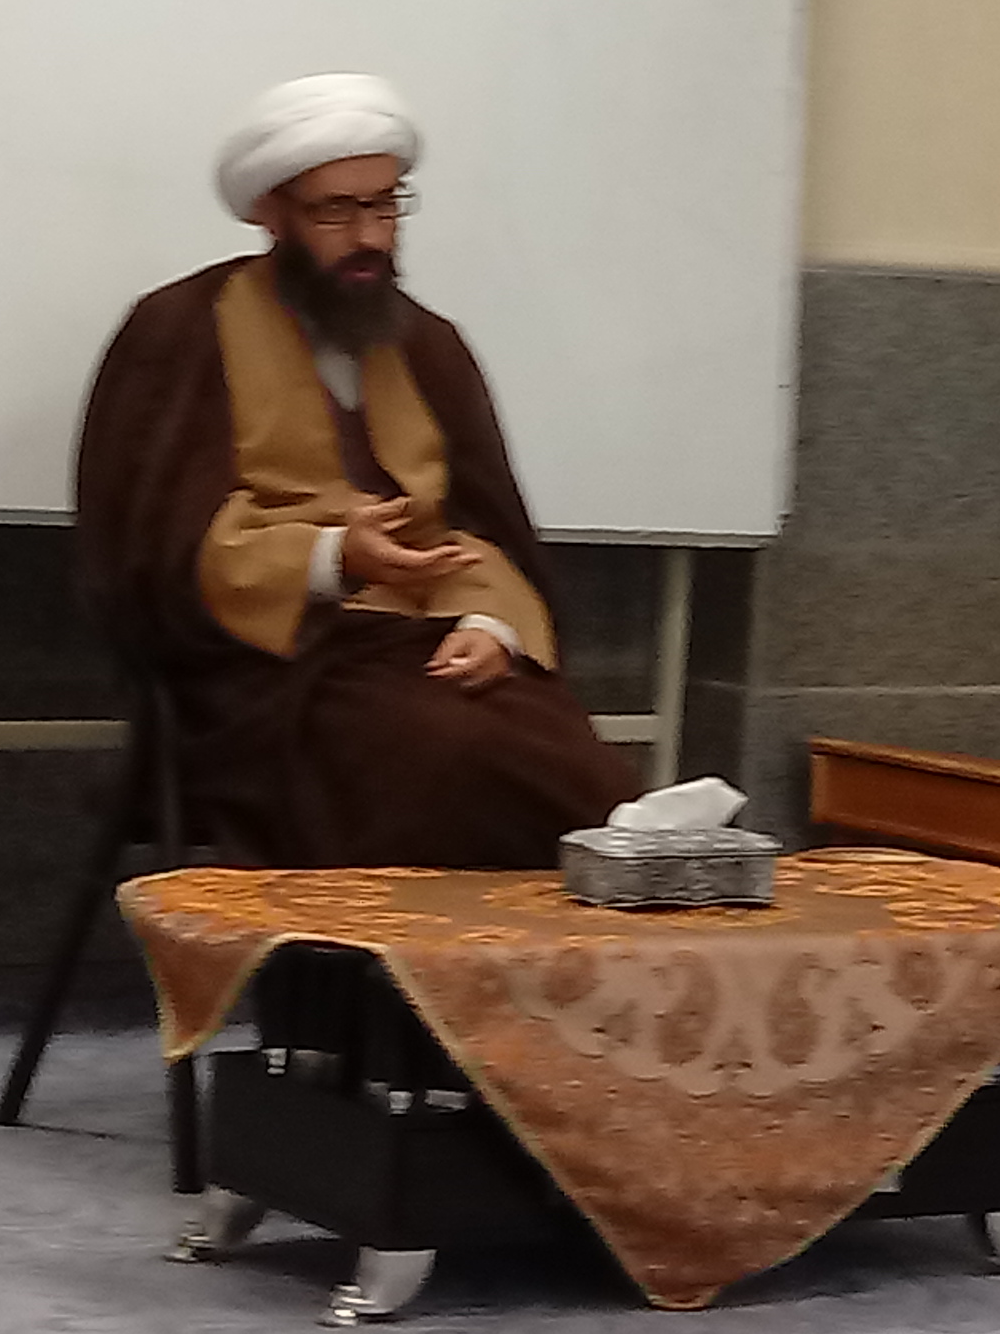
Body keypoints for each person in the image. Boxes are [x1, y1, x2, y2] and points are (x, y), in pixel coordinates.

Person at [74, 73, 642, 866]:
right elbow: (152, 547)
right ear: (271, 212)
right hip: (258, 671)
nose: (369, 235)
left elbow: (483, 524)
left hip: (422, 642)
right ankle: (374, 953)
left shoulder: (427, 344)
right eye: (336, 211)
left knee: (585, 776)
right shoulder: (181, 330)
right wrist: (334, 558)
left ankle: (551, 947)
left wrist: (490, 625)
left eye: (385, 205)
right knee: (441, 754)